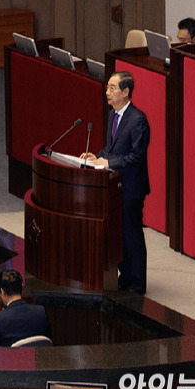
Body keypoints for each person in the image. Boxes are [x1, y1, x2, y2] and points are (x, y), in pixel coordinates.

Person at [81, 71, 150, 294]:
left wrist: (107, 161)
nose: (107, 91)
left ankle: (137, 284)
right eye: (107, 87)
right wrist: (96, 157)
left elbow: (136, 156)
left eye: (112, 88)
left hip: (131, 186)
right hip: (115, 186)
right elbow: (112, 148)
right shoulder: (113, 115)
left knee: (132, 235)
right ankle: (125, 276)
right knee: (118, 236)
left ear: (126, 91)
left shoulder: (138, 120)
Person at [0, 269, 51, 347]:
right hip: (37, 358)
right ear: (21, 287)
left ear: (2, 292)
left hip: (11, 359)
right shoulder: (40, 312)